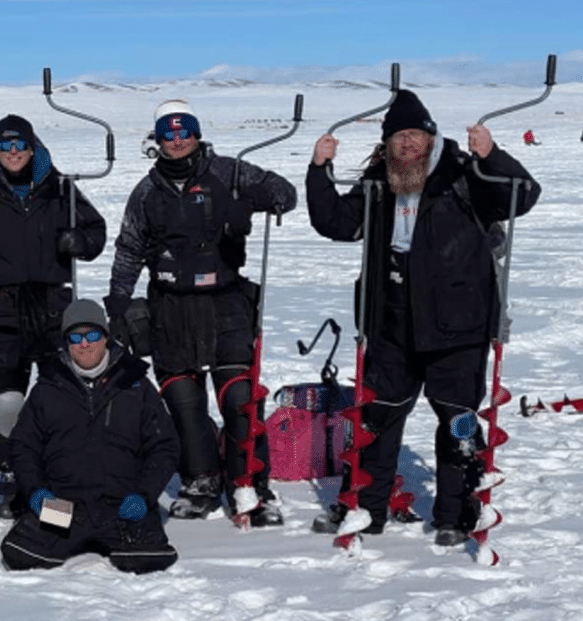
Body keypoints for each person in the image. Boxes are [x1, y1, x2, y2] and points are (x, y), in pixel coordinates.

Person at [305, 90, 541, 546]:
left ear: (431, 137)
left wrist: (492, 156)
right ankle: (368, 511)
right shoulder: (380, 179)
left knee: (458, 421)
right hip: (390, 321)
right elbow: (337, 224)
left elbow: (522, 196)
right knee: (380, 417)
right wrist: (319, 171)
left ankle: (454, 513)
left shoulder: (463, 172)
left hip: (460, 323)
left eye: (414, 134)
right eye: (398, 137)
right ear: (387, 143)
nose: (406, 144)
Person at [105, 100, 297, 524]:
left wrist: (250, 203)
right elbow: (129, 248)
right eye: (168, 135)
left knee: (241, 400)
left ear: (196, 134)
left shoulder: (229, 172)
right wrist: (118, 304)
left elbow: (286, 194)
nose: (177, 142)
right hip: (170, 307)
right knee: (184, 401)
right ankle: (201, 479)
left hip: (226, 303)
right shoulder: (147, 191)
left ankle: (249, 482)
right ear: (158, 141)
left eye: (184, 132)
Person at [0, 114, 106, 517]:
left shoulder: (61, 188)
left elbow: (97, 232)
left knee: (60, 395)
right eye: (5, 146)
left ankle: (61, 468)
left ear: (33, 148)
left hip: (54, 309)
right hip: (0, 312)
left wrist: (80, 241)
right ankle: (15, 474)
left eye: (20, 146)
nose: (13, 153)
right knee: (7, 403)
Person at [0, 299, 179, 573]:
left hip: (122, 505)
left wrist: (144, 495)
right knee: (20, 554)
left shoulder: (135, 385)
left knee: (149, 558)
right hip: (64, 507)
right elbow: (24, 446)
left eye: (92, 335)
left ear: (105, 337)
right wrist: (35, 492)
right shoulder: (47, 387)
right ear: (66, 342)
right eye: (75, 337)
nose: (85, 344)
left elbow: (164, 446)